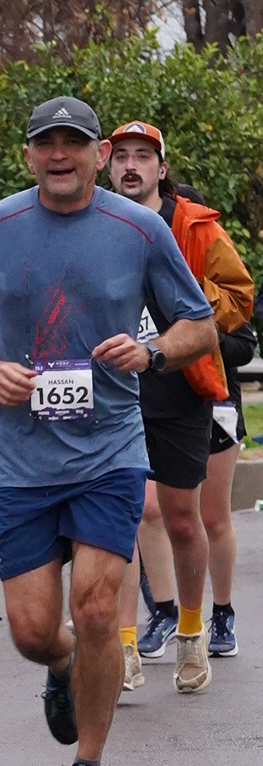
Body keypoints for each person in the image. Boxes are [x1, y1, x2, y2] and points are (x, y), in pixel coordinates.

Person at [0, 96, 216, 766]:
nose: (59, 155)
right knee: (34, 631)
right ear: (29, 155)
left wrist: (150, 352)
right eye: (46, 143)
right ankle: (63, 665)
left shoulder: (141, 229)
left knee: (95, 608)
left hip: (109, 450)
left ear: (99, 156)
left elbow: (200, 325)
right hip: (20, 461)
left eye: (74, 143)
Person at [102, 120, 253, 690]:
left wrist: (182, 310)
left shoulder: (195, 225)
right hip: (113, 392)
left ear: (162, 169)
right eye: (122, 156)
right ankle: (124, 648)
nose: (131, 165)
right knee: (123, 518)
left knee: (186, 521)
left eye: (144, 156)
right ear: (107, 165)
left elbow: (239, 297)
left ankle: (192, 632)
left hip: (180, 387)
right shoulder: (91, 221)